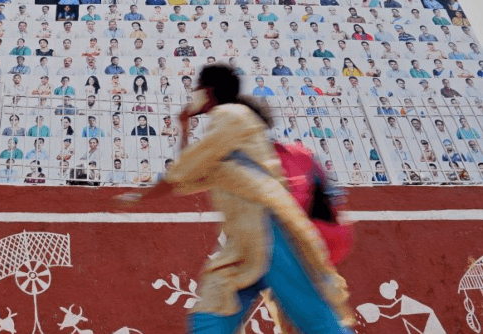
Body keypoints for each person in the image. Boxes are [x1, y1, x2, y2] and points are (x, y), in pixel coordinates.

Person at [115, 64, 352, 334]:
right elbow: (188, 177)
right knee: (210, 313)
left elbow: (182, 172)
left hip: (271, 230)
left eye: (196, 88)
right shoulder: (221, 134)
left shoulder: (232, 115)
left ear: (207, 91)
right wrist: (184, 126)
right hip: (243, 242)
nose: (192, 94)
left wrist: (141, 197)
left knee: (314, 320)